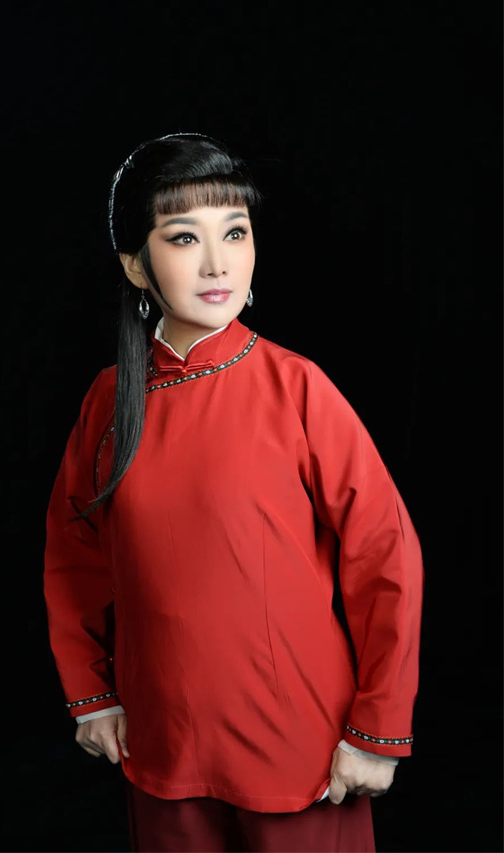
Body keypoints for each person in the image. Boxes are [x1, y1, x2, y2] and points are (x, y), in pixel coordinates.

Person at [43, 132, 424, 853]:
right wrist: (93, 697)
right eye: (185, 237)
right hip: (160, 741)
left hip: (301, 748)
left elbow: (385, 557)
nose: (218, 263)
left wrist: (377, 730)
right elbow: (74, 559)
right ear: (136, 264)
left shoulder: (297, 387)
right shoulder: (110, 400)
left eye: (236, 232)